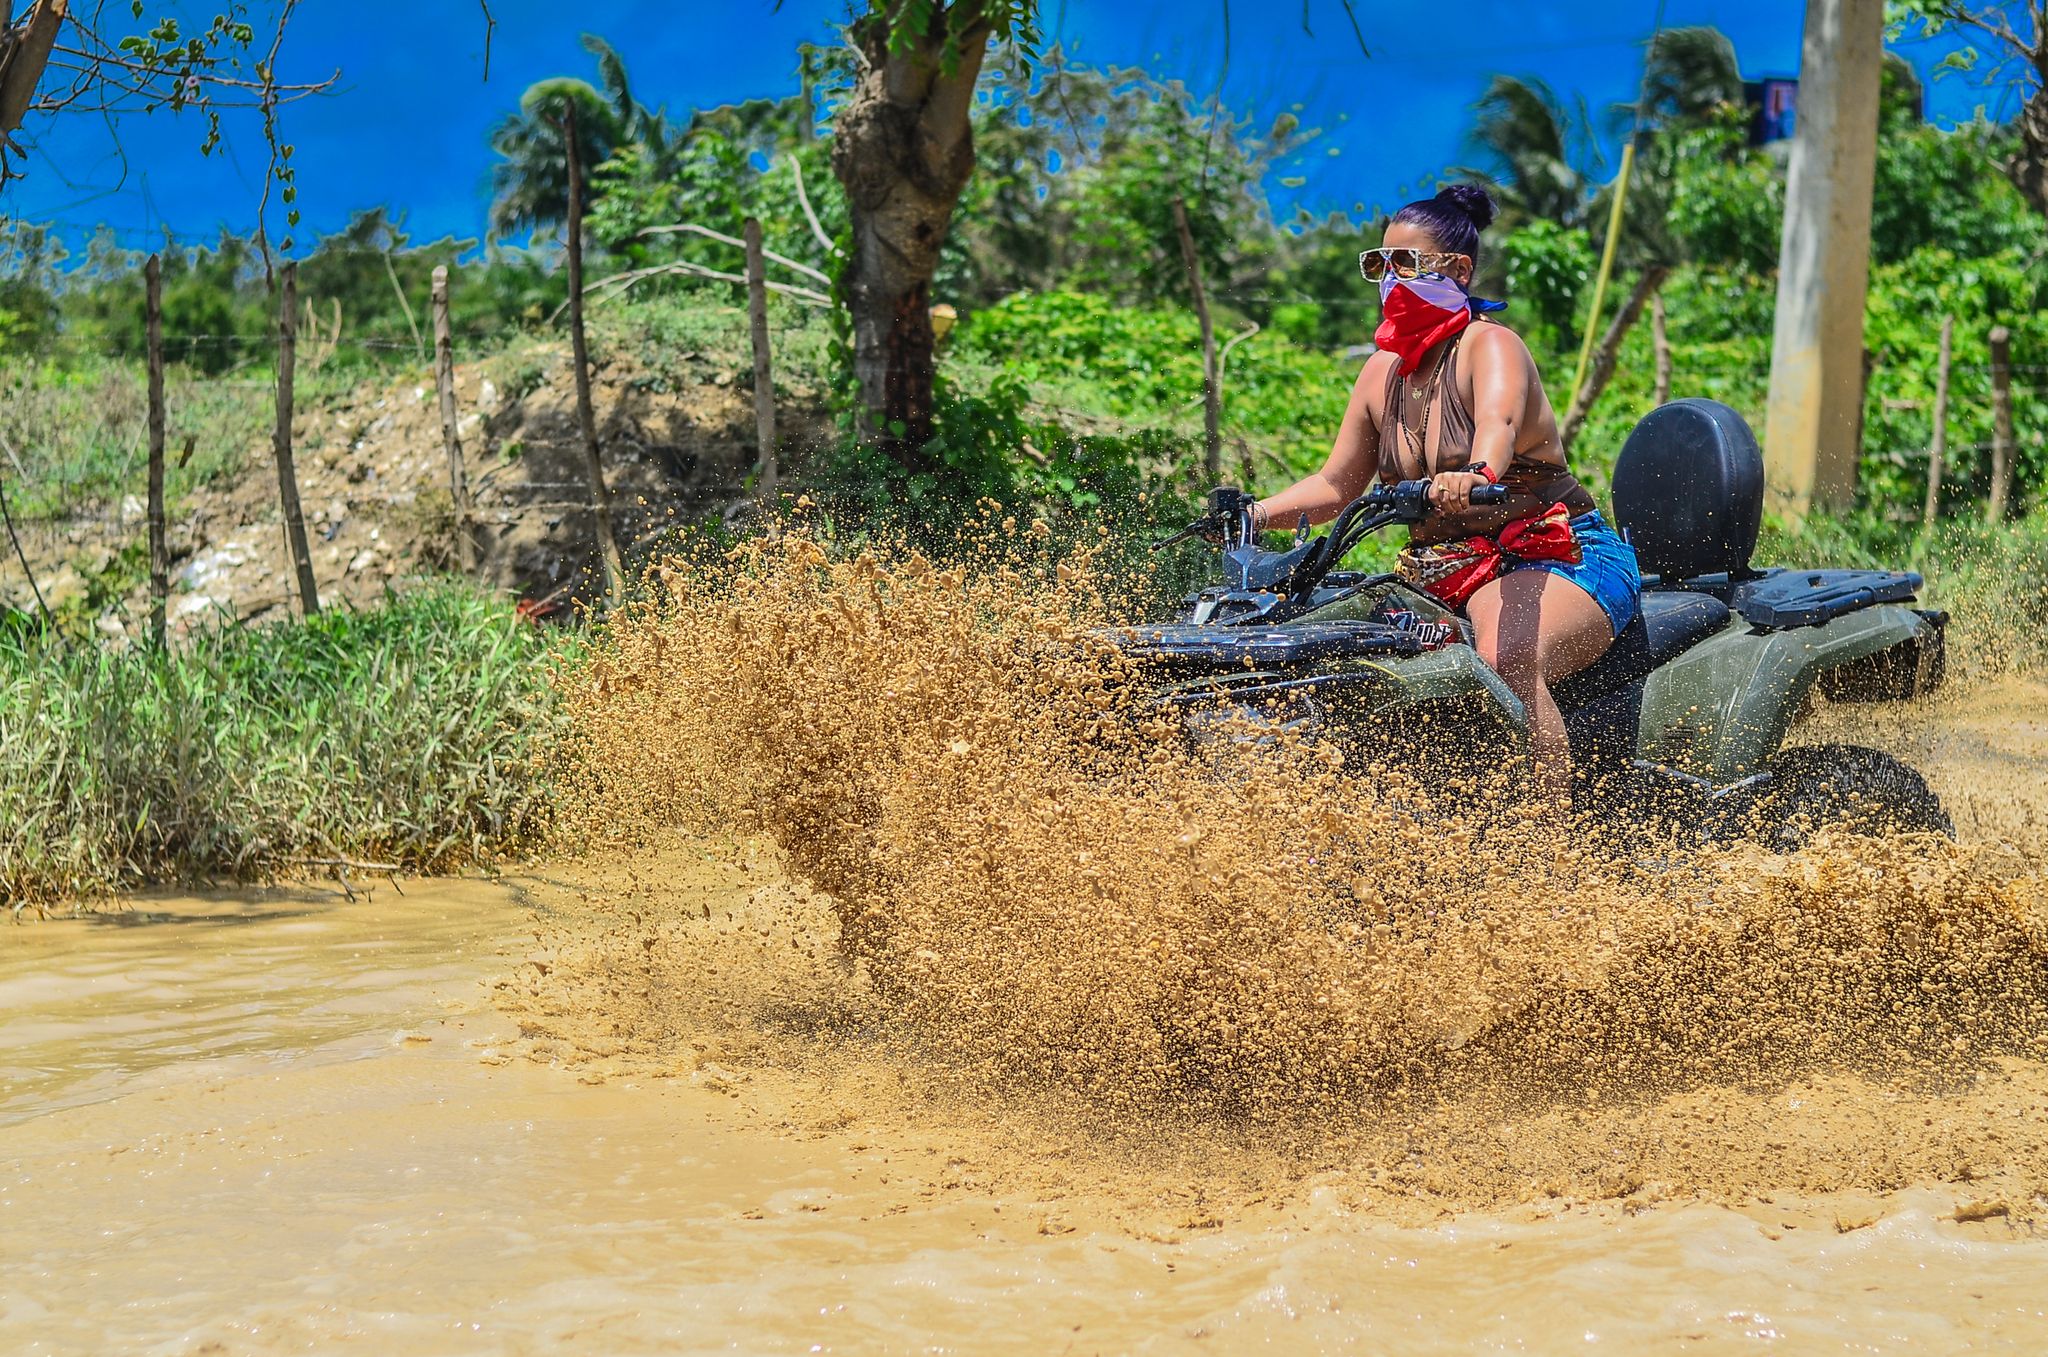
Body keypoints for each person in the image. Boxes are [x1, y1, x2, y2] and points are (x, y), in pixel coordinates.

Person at [1250, 183, 1640, 803]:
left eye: (1404, 264)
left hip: (1555, 557)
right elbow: (1334, 486)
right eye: (1377, 265)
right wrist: (1249, 515)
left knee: (1505, 654)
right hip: (1441, 573)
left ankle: (1551, 853)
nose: (1387, 280)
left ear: (1458, 270)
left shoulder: (1491, 346)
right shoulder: (1382, 373)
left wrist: (1477, 474)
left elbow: (1499, 425)